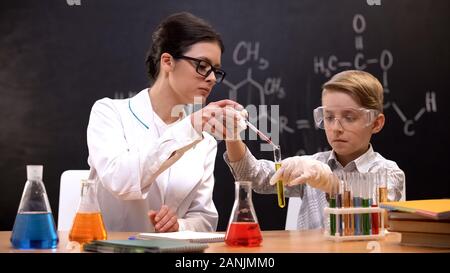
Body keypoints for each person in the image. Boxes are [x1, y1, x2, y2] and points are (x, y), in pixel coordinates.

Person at [87, 12, 242, 232]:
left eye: (215, 70)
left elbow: (204, 218)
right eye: (202, 65)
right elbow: (119, 180)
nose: (212, 78)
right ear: (168, 62)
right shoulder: (110, 113)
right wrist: (189, 128)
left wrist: (179, 225)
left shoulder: (204, 140)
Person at [224, 70, 405, 230]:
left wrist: (332, 185)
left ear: (376, 123)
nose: (336, 128)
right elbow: (253, 176)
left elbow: (377, 218)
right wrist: (231, 135)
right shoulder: (311, 166)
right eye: (328, 117)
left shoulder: (388, 172)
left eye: (349, 117)